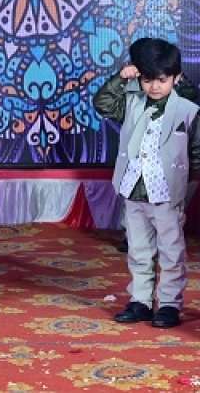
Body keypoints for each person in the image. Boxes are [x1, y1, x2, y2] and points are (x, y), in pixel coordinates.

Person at [94, 37, 200, 328]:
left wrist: (188, 188)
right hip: (134, 189)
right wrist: (121, 78)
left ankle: (169, 304)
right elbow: (103, 104)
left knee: (171, 252)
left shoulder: (187, 109)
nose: (154, 87)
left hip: (167, 193)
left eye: (162, 80)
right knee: (138, 250)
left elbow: (196, 152)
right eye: (148, 79)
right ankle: (140, 300)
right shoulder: (132, 102)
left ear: (176, 78)